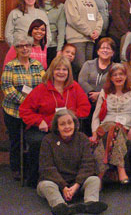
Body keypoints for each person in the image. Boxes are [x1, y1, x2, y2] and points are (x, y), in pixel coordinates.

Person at [20, 56, 90, 187]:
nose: (61, 72)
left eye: (65, 69)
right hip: (45, 128)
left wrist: (69, 118)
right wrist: (39, 121)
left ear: (69, 73)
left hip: (68, 128)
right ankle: (37, 177)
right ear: (52, 71)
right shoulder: (41, 88)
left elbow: (85, 108)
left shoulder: (75, 87)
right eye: (58, 69)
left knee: (80, 140)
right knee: (37, 141)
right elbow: (24, 110)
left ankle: (72, 178)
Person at [37, 109, 108, 215]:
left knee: (94, 180)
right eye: (62, 124)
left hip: (77, 184)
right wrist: (63, 186)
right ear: (57, 127)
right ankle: (61, 206)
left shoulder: (82, 138)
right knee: (45, 185)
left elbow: (88, 165)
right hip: (56, 184)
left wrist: (76, 185)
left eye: (70, 123)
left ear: (75, 124)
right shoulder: (47, 140)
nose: (67, 127)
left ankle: (90, 204)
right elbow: (47, 168)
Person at [2, 36, 46, 181]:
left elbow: (44, 86)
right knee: (16, 141)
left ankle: (31, 168)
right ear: (16, 49)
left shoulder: (38, 65)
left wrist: (34, 104)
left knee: (34, 140)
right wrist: (27, 102)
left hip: (33, 112)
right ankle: (16, 168)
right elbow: (8, 89)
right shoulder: (10, 66)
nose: (25, 48)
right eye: (21, 46)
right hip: (13, 111)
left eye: (27, 45)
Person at [90, 63, 131, 184]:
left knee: (115, 130)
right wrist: (94, 133)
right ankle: (120, 168)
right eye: (115, 75)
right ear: (111, 78)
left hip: (126, 128)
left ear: (125, 76)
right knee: (113, 127)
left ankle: (100, 176)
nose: (118, 77)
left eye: (121, 74)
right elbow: (96, 116)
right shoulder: (105, 92)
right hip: (105, 126)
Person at [64, 0, 102, 69]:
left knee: (88, 69)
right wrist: (89, 32)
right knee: (80, 68)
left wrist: (96, 31)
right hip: (77, 40)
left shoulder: (91, 0)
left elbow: (99, 18)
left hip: (90, 39)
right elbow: (74, 20)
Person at [78, 38, 115, 118]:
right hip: (88, 101)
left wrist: (100, 95)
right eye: (102, 48)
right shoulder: (88, 64)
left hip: (108, 103)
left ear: (112, 53)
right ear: (98, 51)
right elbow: (82, 81)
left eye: (108, 48)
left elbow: (116, 85)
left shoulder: (116, 68)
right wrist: (92, 93)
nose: (105, 50)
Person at [38, 0, 65, 65]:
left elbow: (61, 30)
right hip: (38, 45)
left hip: (53, 45)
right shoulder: (36, 5)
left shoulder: (60, 7)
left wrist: (59, 49)